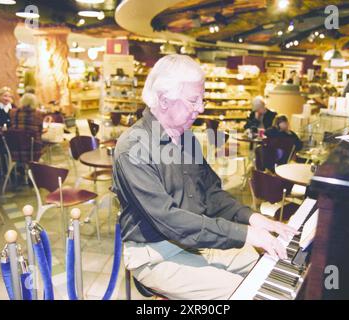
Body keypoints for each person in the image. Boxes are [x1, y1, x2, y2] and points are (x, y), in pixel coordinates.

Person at [112, 54, 297, 300]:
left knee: (262, 265)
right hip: (155, 255)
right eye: (193, 100)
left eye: (202, 99)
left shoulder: (186, 138)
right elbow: (171, 220)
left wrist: (252, 218)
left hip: (195, 241)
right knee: (242, 293)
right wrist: (244, 233)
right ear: (164, 100)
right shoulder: (132, 149)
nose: (201, 108)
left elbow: (211, 193)